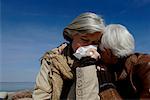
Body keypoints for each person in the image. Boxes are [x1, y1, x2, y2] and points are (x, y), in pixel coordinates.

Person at [32, 12, 105, 100]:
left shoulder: (101, 63)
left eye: (94, 43)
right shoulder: (53, 59)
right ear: (72, 34)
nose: (89, 47)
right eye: (84, 40)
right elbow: (41, 95)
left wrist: (87, 66)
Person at [97, 24, 150, 99]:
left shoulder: (146, 67)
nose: (98, 53)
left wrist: (106, 86)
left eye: (99, 50)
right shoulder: (110, 66)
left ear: (107, 52)